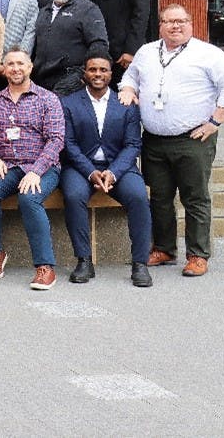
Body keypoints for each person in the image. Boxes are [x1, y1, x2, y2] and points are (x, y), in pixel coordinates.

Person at [119, 4, 224, 277]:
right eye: (168, 21)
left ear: (191, 23)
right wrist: (128, 89)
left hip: (193, 139)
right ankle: (164, 248)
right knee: (160, 197)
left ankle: (197, 254)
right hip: (153, 139)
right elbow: (131, 75)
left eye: (180, 21)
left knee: (195, 197)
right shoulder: (147, 51)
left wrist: (214, 122)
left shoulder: (208, 54)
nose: (174, 26)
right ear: (160, 25)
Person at [61, 52, 153, 287]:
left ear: (112, 74)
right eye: (93, 69)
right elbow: (68, 144)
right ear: (85, 73)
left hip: (119, 167)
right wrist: (91, 172)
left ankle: (140, 263)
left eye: (103, 70)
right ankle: (84, 260)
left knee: (139, 196)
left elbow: (133, 144)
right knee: (73, 195)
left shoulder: (126, 105)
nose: (98, 74)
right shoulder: (69, 103)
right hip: (81, 167)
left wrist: (113, 172)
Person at [0, 49, 66, 290]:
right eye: (10, 64)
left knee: (29, 198)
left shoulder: (47, 99)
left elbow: (56, 140)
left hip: (42, 167)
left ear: (30, 67)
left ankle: (45, 267)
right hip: (7, 166)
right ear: (3, 69)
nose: (15, 68)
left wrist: (36, 171)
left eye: (20, 64)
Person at [31, 0, 108, 96]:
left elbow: (99, 45)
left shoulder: (88, 10)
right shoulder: (44, 11)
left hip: (71, 84)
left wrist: (81, 76)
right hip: (41, 83)